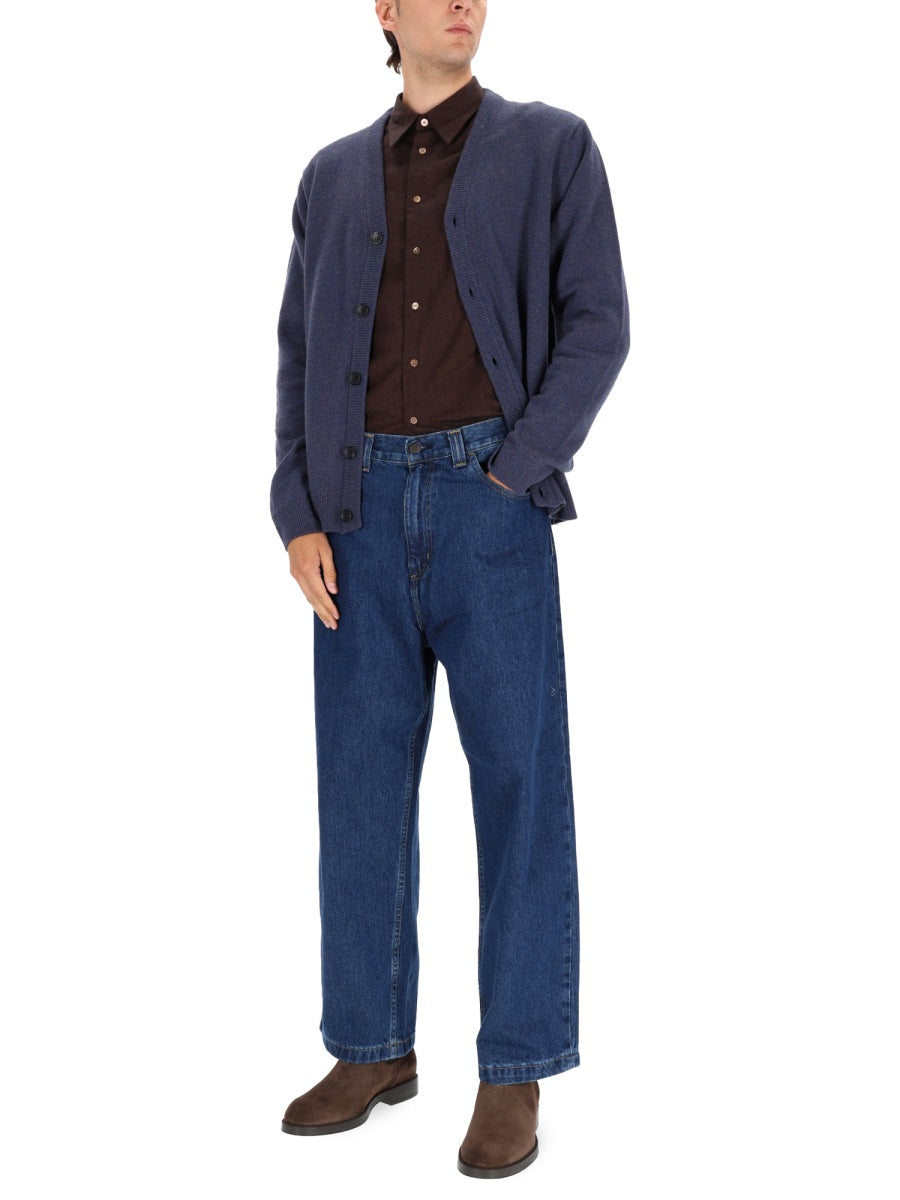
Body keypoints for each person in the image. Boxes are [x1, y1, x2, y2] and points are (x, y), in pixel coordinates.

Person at [271, 0, 629, 1179]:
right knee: (359, 790)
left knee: (521, 788)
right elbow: (300, 355)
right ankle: (371, 1048)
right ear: (387, 10)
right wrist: (298, 511)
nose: (465, 2)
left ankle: (516, 1065)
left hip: (491, 506)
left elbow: (598, 326)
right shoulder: (331, 177)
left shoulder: (552, 146)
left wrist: (515, 471)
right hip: (355, 515)